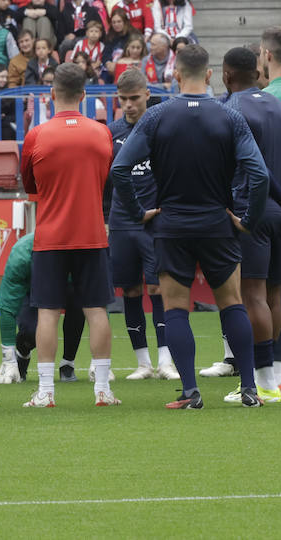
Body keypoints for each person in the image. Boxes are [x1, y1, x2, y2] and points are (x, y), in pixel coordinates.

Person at [110, 44, 270, 409]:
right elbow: (259, 174)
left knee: (177, 309)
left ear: (176, 75)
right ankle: (248, 389)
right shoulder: (229, 116)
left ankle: (191, 392)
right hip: (217, 223)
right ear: (210, 74)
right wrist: (249, 220)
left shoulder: (157, 117)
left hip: (172, 227)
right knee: (233, 305)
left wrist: (138, 213)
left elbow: (120, 168)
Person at [19, 61, 119, 409]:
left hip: (50, 236)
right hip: (91, 232)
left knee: (48, 312)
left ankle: (46, 391)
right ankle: (103, 389)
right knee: (97, 310)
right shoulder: (101, 132)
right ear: (84, 94)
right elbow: (104, 177)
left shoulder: (37, 134)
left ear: (51, 93)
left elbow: (30, 184)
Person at [222, 45, 281, 403]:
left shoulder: (230, 110)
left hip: (251, 210)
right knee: (275, 295)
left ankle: (261, 384)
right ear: (258, 72)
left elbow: (253, 168)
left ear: (227, 75)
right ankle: (272, 380)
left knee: (252, 296)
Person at [104, 69, 174, 381]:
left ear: (147, 94)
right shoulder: (111, 132)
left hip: (156, 222)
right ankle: (142, 362)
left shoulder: (161, 128)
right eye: (123, 100)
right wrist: (106, 218)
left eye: (135, 98)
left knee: (160, 288)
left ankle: (165, 360)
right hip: (122, 222)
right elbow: (105, 182)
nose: (129, 105)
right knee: (130, 290)